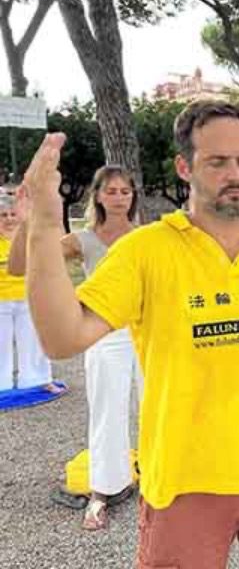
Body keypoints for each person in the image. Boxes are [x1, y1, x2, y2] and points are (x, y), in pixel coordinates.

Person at [21, 99, 239, 568]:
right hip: (184, 478)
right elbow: (62, 337)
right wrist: (45, 223)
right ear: (184, 167)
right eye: (218, 161)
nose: (236, 173)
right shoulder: (145, 251)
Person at [10, 166, 143, 531]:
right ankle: (103, 490)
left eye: (125, 192)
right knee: (106, 411)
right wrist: (29, 220)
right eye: (112, 191)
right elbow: (26, 264)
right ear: (98, 196)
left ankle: (160, 478)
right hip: (105, 335)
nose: (119, 197)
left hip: (148, 332)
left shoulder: (145, 237)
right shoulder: (83, 240)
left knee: (158, 408)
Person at [0, 193, 58, 394]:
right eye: (3, 215)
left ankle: (38, 380)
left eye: (12, 214)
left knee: (33, 341)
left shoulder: (29, 239)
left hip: (27, 299)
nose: (8, 219)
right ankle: (2, 384)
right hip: (1, 303)